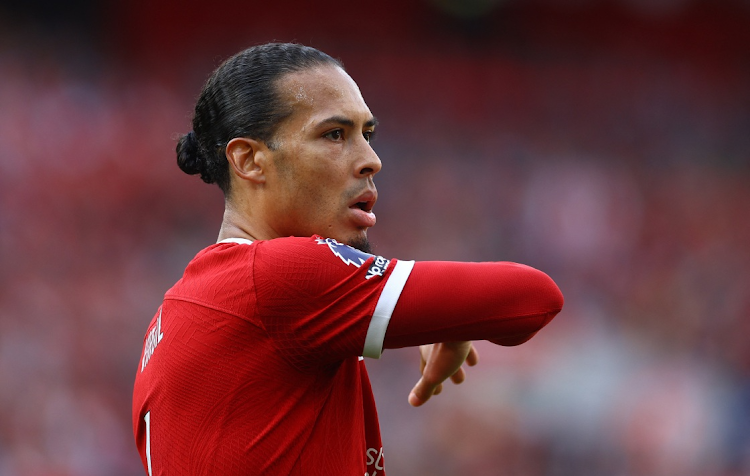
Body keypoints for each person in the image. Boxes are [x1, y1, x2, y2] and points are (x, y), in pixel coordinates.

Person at [132, 42, 564, 476]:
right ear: (248, 160)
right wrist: (461, 314)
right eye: (334, 135)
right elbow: (531, 299)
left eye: (367, 134)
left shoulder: (177, 314)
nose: (371, 160)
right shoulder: (278, 279)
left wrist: (453, 315)